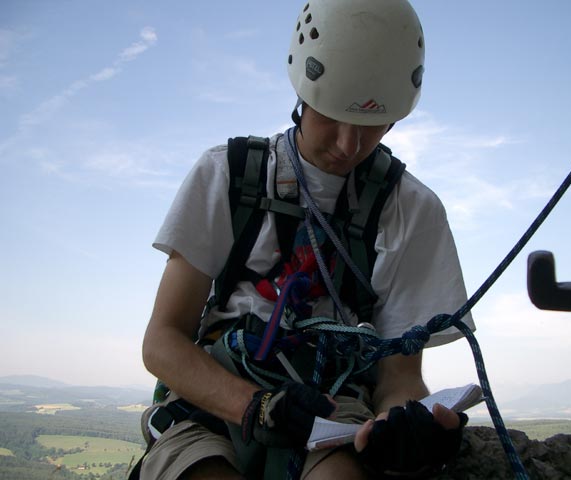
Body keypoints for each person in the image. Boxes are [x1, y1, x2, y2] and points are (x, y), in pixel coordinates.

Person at [138, 0, 475, 478]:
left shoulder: (411, 210)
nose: (348, 145)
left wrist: (405, 426)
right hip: (214, 397)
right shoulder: (229, 175)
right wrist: (255, 406)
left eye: (372, 124)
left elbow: (399, 378)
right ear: (302, 91)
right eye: (332, 117)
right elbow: (162, 341)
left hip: (332, 408)